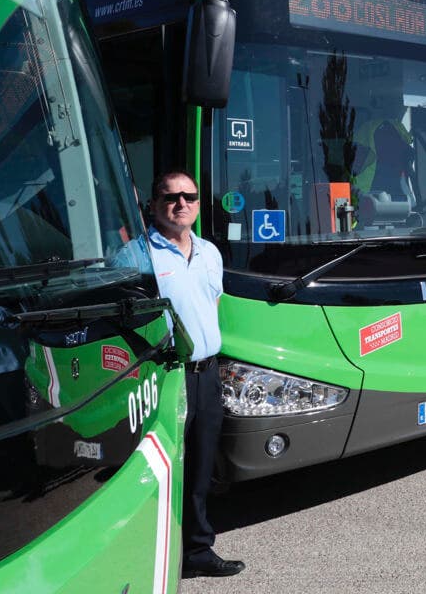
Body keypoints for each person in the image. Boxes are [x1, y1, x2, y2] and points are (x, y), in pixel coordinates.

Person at [147, 169, 245, 578]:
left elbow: (212, 307)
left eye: (189, 196)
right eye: (171, 197)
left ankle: (198, 551)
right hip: (166, 375)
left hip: (206, 375)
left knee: (202, 464)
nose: (181, 204)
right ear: (155, 205)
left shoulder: (210, 252)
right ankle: (154, 548)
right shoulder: (138, 255)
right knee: (161, 464)